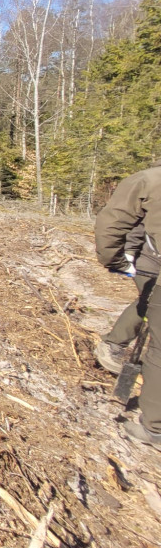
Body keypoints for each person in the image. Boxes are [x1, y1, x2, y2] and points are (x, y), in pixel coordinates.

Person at [95, 159, 161, 451]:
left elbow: (113, 225)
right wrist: (127, 259)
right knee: (148, 304)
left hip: (150, 262)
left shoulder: (149, 180)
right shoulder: (149, 181)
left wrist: (118, 261)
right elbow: (126, 226)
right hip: (151, 263)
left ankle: (154, 425)